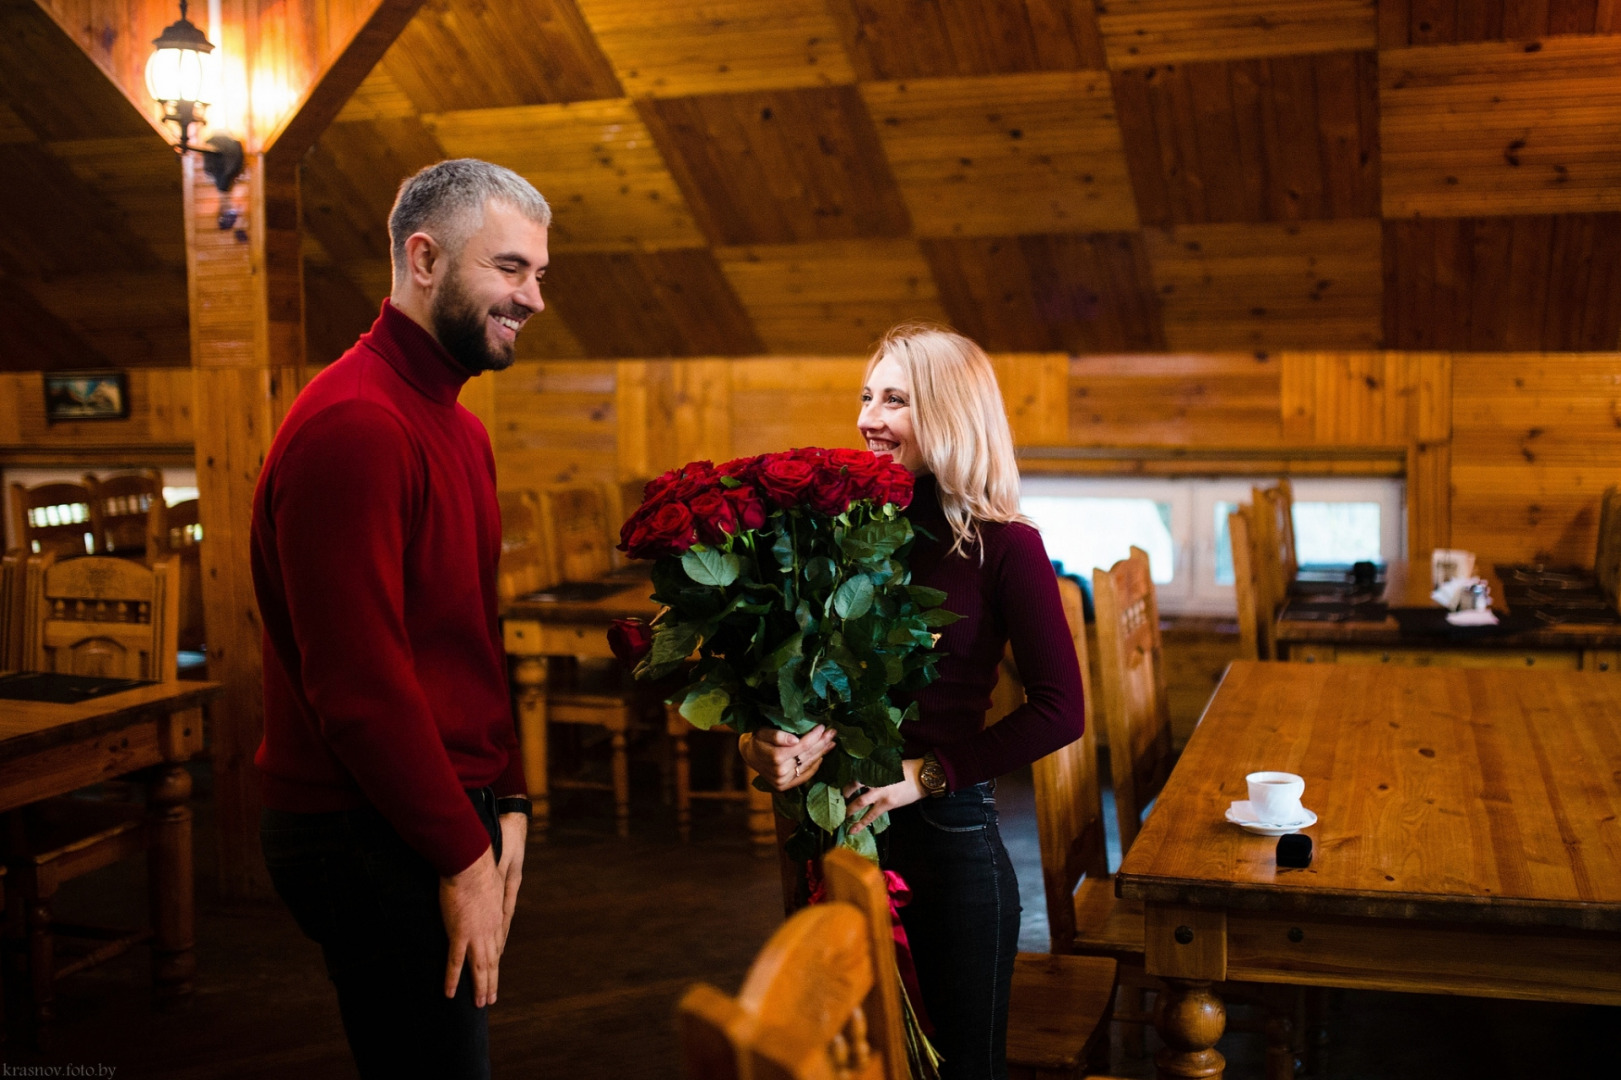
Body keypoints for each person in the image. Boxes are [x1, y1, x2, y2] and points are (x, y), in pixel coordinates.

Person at [251, 159, 550, 1080]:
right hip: (362, 821)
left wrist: (508, 797)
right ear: (424, 258)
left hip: (440, 805)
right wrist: (463, 858)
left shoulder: (460, 426)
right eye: (510, 268)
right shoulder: (355, 424)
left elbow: (466, 635)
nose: (532, 297)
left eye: (538, 273)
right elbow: (360, 689)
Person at [740, 325, 1086, 1080]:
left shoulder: (1006, 546)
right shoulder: (835, 534)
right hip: (830, 849)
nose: (869, 416)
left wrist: (922, 774)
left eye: (894, 399)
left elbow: (1061, 709)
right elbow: (787, 686)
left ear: (949, 412)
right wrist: (761, 744)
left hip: (949, 851)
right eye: (866, 396)